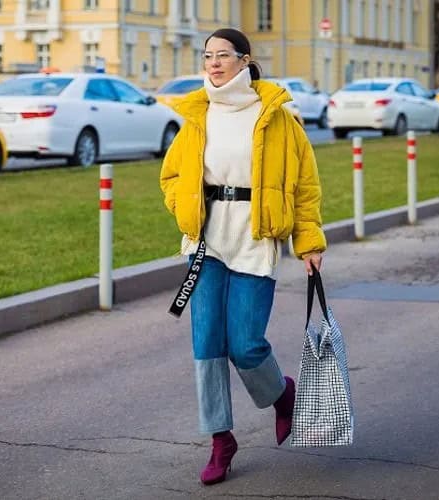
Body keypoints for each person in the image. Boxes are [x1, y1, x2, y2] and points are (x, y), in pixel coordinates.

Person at [159, 28, 326, 485]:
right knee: (208, 346)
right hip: (207, 242)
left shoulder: (276, 116)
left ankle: (282, 394)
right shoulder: (197, 115)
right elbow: (171, 174)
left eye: (222, 56)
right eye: (207, 56)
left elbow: (305, 185)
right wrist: (185, 207)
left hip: (255, 238)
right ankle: (220, 440)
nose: (213, 63)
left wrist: (308, 243)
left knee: (246, 343)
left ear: (244, 60)